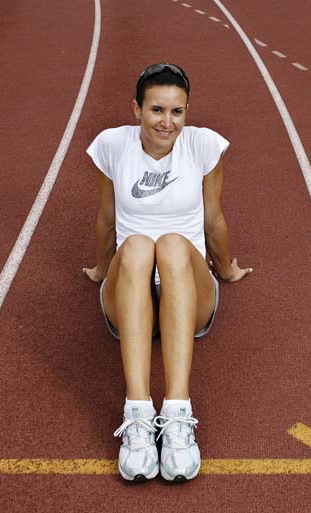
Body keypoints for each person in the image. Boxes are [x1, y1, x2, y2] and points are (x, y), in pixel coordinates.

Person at [82, 63, 252, 483]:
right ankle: (138, 417)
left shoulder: (203, 145)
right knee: (139, 244)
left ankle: (177, 415)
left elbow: (213, 218)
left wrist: (226, 268)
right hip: (130, 288)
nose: (167, 122)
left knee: (173, 243)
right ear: (136, 109)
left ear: (187, 111)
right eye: (157, 110)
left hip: (188, 288)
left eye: (177, 112)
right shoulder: (112, 145)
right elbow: (107, 218)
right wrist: (103, 268)